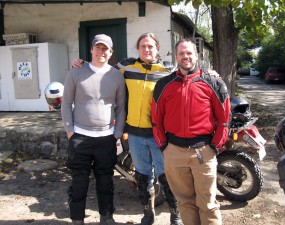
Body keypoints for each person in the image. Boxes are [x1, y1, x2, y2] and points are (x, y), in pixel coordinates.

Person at [71, 32, 183, 225]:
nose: (147, 50)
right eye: (143, 46)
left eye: (150, 46)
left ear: (157, 49)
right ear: (138, 49)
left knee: (167, 177)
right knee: (142, 176)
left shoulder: (169, 71)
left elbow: (191, 76)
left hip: (160, 135)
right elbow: (101, 69)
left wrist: (210, 74)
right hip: (135, 135)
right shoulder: (125, 67)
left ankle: (176, 214)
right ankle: (148, 214)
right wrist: (81, 65)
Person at [151, 39, 231, 225]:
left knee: (208, 204)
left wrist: (214, 147)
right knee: (185, 202)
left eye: (189, 53)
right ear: (176, 56)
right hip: (174, 152)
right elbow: (156, 120)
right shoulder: (164, 85)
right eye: (181, 53)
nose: (185, 56)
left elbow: (224, 120)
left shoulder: (213, 83)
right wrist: (164, 147)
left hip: (204, 152)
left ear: (197, 55)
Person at [61, 34, 126, 225]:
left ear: (111, 52)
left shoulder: (117, 76)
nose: (101, 52)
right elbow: (66, 104)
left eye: (105, 48)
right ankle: (77, 219)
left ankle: (106, 217)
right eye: (98, 48)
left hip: (106, 138)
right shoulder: (75, 73)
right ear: (91, 50)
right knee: (79, 183)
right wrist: (70, 131)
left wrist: (117, 133)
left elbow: (121, 107)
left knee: (105, 182)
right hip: (80, 137)